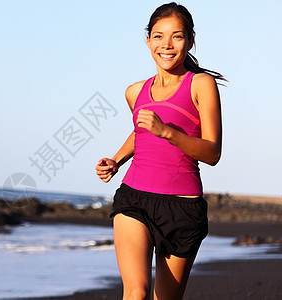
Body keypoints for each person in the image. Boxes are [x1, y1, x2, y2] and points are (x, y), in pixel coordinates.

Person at [95, 3, 225, 300]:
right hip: (134, 197)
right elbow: (142, 132)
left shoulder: (201, 85)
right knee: (136, 292)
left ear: (190, 40)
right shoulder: (134, 91)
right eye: (158, 36)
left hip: (182, 208)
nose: (166, 45)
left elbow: (212, 152)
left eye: (177, 37)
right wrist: (116, 160)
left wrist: (168, 131)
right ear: (148, 40)